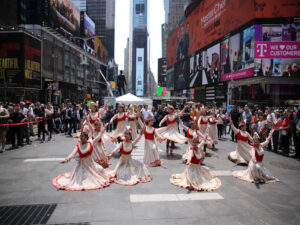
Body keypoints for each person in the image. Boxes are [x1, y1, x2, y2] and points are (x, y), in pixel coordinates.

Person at [52, 124, 113, 191]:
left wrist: (104, 127)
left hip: (91, 165)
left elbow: (99, 136)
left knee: (101, 169)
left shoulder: (91, 143)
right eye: (80, 136)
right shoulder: (78, 146)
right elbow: (72, 154)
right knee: (79, 179)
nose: (81, 137)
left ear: (86, 138)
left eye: (82, 136)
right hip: (81, 166)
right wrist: (66, 160)